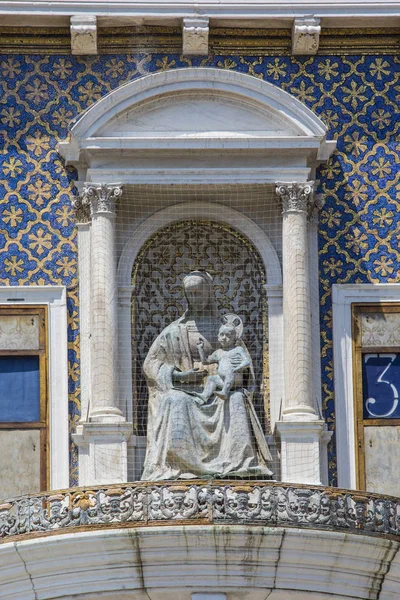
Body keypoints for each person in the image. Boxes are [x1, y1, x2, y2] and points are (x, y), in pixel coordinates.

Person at [141, 270, 273, 481]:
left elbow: (243, 363)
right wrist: (178, 376)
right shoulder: (174, 330)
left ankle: (239, 465)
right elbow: (150, 363)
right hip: (185, 390)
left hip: (221, 387)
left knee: (237, 398)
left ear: (209, 293)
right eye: (190, 294)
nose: (195, 298)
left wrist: (234, 373)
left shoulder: (226, 329)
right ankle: (182, 467)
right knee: (176, 400)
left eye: (199, 293)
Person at [195, 324, 250, 402]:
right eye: (222, 335)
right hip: (222, 381)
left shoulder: (238, 349)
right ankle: (204, 396)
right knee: (211, 378)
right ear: (218, 337)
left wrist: (237, 368)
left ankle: (224, 392)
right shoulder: (218, 352)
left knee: (229, 371)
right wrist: (200, 349)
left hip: (236, 379)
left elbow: (247, 361)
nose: (224, 338)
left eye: (228, 335)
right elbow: (205, 362)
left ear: (234, 338)